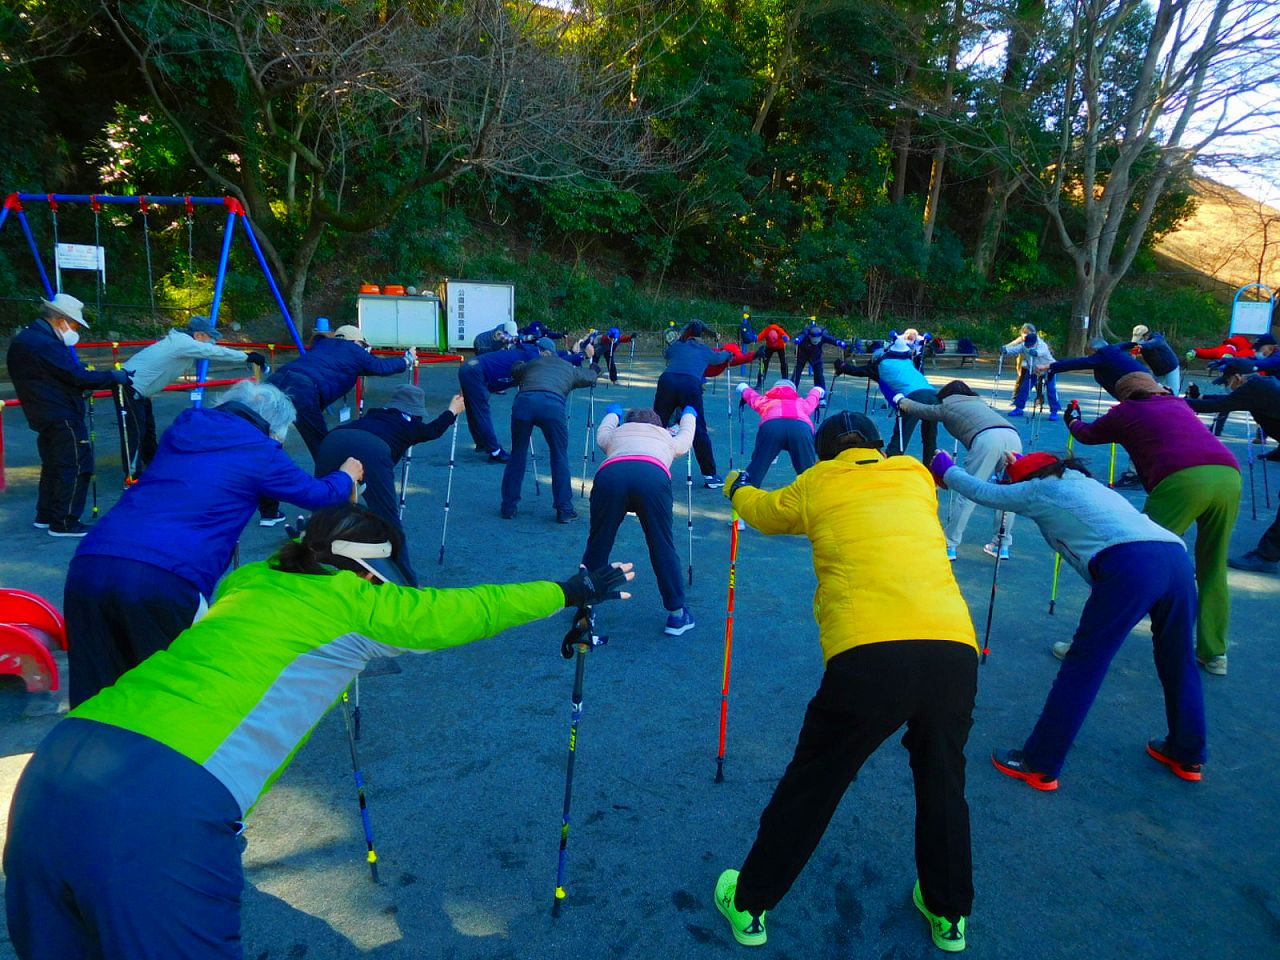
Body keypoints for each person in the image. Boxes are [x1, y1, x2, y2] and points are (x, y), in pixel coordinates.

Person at [4, 503, 634, 960]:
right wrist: (566, 590)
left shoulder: (249, 578)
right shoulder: (359, 604)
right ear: (367, 570)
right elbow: (462, 613)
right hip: (160, 802)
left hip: (59, 761)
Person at [713, 411, 978, 954]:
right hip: (953, 648)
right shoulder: (913, 475)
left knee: (814, 782)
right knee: (943, 780)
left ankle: (751, 903)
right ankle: (949, 911)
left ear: (825, 450)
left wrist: (737, 486)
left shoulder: (818, 481)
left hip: (869, 655)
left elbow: (763, 513)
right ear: (879, 447)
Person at [61, 380, 361, 706]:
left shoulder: (185, 427)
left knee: (96, 686)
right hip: (165, 575)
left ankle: (87, 751)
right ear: (274, 427)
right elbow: (319, 496)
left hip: (91, 562)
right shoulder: (260, 451)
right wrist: (346, 474)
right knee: (165, 687)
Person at [933, 450, 1206, 790]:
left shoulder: (1039, 489)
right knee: (1178, 659)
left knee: (1084, 665)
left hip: (1130, 564)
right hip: (1176, 558)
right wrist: (1020, 463)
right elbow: (1027, 471)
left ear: (1028, 479)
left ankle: (1040, 762)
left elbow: (985, 493)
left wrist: (948, 468)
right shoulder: (1085, 484)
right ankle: (1187, 751)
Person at [6, 293, 130, 537]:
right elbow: (75, 375)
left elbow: (56, 376)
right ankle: (64, 521)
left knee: (54, 465)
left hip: (42, 412)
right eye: (74, 323)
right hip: (60, 413)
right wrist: (111, 377)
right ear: (61, 319)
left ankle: (46, 515)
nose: (74, 329)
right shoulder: (45, 344)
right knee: (74, 466)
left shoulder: (27, 339)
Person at [314, 385, 464, 586]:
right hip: (372, 449)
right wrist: (453, 410)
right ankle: (407, 584)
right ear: (415, 412)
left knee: (326, 510)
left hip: (333, 440)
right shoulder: (410, 424)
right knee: (387, 518)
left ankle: (312, 568)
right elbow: (433, 430)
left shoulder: (374, 414)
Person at [261, 324, 412, 524]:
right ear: (355, 341)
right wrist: (407, 359)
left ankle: (269, 512)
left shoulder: (323, 346)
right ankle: (333, 503)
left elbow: (349, 368)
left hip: (275, 384)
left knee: (266, 448)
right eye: (363, 344)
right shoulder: (354, 350)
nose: (366, 349)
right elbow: (381, 367)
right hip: (303, 391)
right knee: (325, 449)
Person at [582, 404, 697, 635]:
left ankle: (584, 608)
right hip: (651, 477)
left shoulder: (616, 434)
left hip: (611, 476)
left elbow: (602, 433)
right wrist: (688, 416)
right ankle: (676, 614)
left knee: (599, 543)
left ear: (627, 422)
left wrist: (613, 414)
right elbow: (686, 439)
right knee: (661, 544)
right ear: (657, 424)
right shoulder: (666, 435)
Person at [117, 316, 266, 479]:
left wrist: (149, 390)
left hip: (139, 387)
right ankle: (132, 476)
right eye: (210, 337)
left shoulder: (180, 342)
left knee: (148, 429)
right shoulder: (183, 343)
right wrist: (247, 356)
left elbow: (156, 366)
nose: (212, 342)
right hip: (129, 385)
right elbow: (213, 352)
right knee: (136, 432)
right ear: (199, 335)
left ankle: (152, 463)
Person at [897, 380, 1022, 560]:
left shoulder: (947, 406)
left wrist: (902, 401)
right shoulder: (979, 402)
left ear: (946, 394)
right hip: (1012, 436)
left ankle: (950, 543)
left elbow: (922, 410)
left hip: (987, 439)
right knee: (1008, 494)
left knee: (968, 493)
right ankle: (1001, 544)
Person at [500, 338, 601, 522]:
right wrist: (594, 366)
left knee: (518, 454)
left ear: (542, 352)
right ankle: (564, 509)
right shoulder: (568, 367)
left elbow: (515, 370)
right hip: (552, 405)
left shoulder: (533, 363)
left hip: (524, 403)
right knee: (559, 455)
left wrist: (518, 363)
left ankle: (508, 506)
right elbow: (590, 378)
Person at [836, 336, 939, 462]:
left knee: (901, 436)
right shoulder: (908, 362)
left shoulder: (881, 364)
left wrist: (841, 366)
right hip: (933, 394)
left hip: (912, 398)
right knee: (930, 437)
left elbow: (857, 371)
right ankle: (931, 469)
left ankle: (891, 463)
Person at [654, 329, 734, 488]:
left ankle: (650, 466)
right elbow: (719, 358)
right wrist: (728, 354)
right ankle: (710, 475)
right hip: (690, 383)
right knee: (697, 428)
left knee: (656, 425)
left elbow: (666, 353)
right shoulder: (705, 349)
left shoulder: (678, 345)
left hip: (667, 380)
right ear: (701, 338)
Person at [1186, 357, 1280, 459]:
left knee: (1261, 415)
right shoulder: (1260, 383)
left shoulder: (1253, 388)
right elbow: (1230, 400)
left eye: (1227, 381)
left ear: (1237, 377)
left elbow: (1219, 405)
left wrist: (1175, 402)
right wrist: (1200, 397)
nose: (1226, 385)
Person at [735, 379, 822, 484]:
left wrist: (743, 388)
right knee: (807, 471)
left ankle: (746, 491)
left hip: (772, 426)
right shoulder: (800, 402)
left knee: (757, 467)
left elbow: (752, 396)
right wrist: (817, 390)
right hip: (801, 428)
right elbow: (812, 399)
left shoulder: (767, 401)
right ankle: (813, 493)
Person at [1002, 325, 1060, 418]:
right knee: (1024, 387)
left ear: (1035, 342)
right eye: (1027, 345)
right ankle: (1019, 408)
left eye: (1030, 345)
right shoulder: (1025, 345)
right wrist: (1006, 350)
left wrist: (1036, 353)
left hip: (1048, 368)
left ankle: (1054, 411)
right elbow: (1016, 349)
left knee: (1051, 389)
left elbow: (1041, 352)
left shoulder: (1042, 345)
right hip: (1033, 369)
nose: (1028, 347)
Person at [1126, 325, 1181, 395]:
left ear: (1146, 335)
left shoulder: (1157, 338)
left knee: (1174, 393)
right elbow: (1132, 355)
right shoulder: (1140, 345)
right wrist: (1132, 354)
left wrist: (1141, 345)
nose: (1139, 341)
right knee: (1152, 391)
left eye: (1140, 338)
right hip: (1158, 371)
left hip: (1171, 368)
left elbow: (1152, 343)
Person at [792, 319, 844, 393]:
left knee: (819, 375)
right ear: (810, 336)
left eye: (817, 338)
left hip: (816, 355)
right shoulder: (805, 334)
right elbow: (800, 337)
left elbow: (831, 339)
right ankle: (792, 391)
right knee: (796, 374)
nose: (815, 340)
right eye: (813, 338)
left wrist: (838, 342)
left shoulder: (823, 336)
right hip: (802, 354)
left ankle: (820, 394)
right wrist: (797, 340)